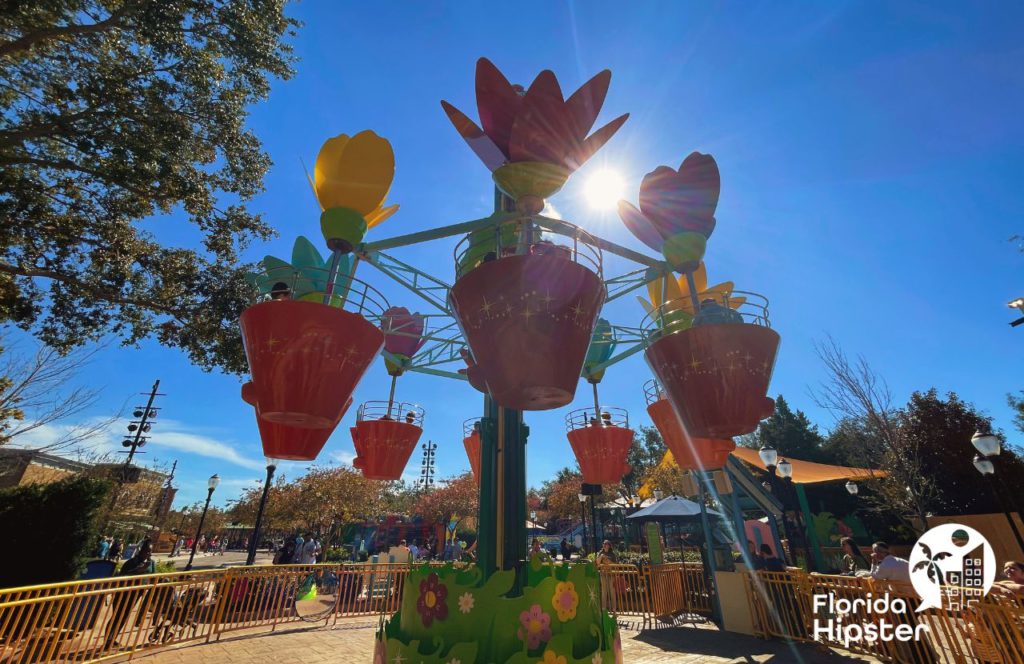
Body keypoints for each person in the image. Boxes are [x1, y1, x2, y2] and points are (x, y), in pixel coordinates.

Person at [103, 540, 154, 649]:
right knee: (117, 616)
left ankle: (112, 639)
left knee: (124, 617)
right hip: (124, 593)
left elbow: (153, 576)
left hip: (137, 593)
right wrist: (139, 570)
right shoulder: (132, 562)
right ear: (141, 550)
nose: (149, 553)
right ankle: (107, 640)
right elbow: (124, 575)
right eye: (147, 551)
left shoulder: (150, 563)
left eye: (150, 551)